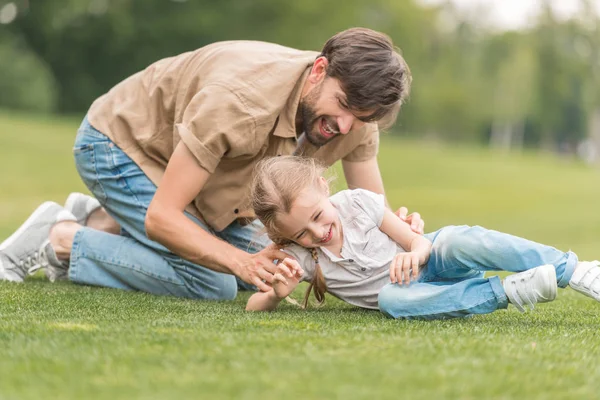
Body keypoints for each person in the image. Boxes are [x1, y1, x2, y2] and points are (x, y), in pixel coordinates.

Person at [0, 28, 425, 300]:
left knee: (270, 264)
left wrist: (399, 234)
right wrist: (238, 262)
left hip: (195, 180)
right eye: (343, 105)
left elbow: (369, 211)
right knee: (215, 281)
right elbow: (163, 217)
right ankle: (63, 238)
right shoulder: (241, 103)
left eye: (362, 118)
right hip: (120, 145)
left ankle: (99, 219)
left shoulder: (357, 116)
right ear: (319, 70)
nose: (345, 125)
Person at [245, 156, 600, 319]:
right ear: (284, 235)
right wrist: (276, 296)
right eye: (300, 234)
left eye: (318, 217)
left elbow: (419, 241)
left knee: (462, 240)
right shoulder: (302, 258)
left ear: (323, 186)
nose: (318, 233)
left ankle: (574, 270)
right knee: (390, 300)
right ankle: (509, 292)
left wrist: (414, 254)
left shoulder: (356, 203)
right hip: (416, 293)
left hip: (433, 259)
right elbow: (252, 306)